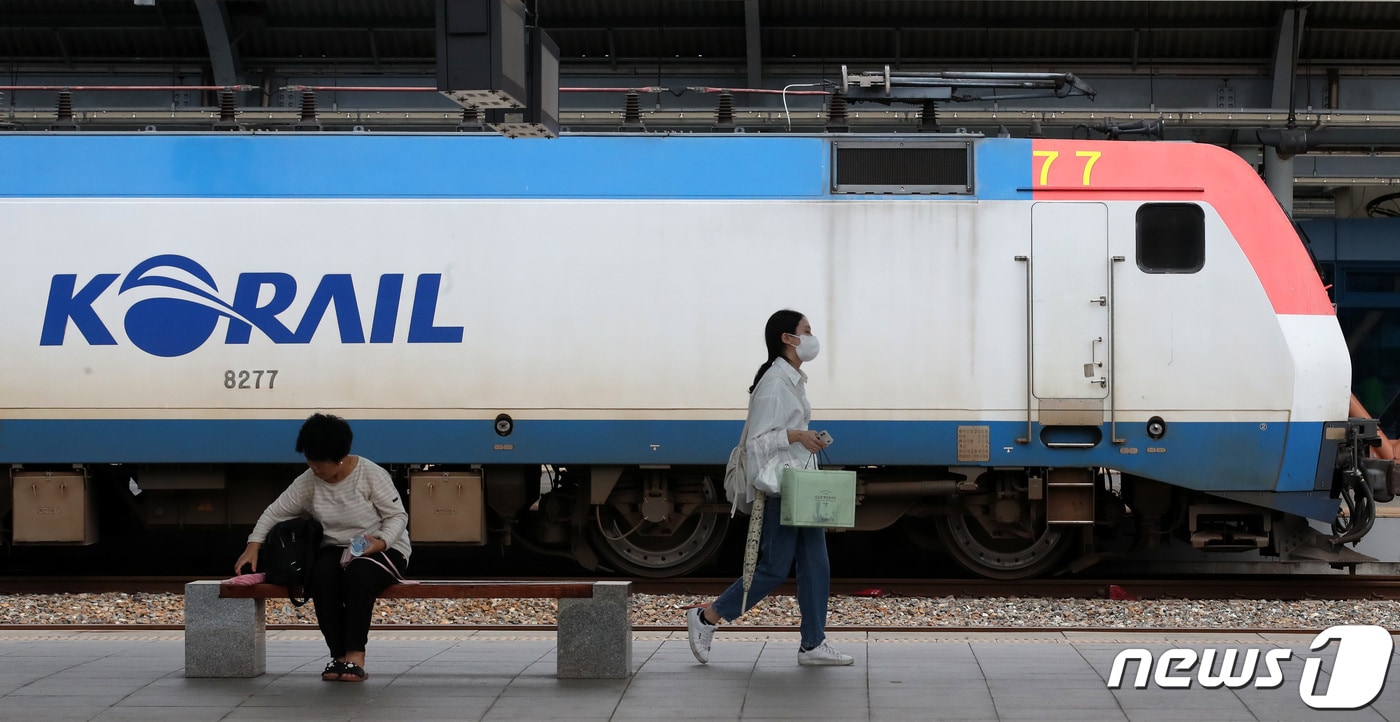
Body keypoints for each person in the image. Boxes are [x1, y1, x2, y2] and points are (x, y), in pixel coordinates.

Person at [686, 309, 853, 666]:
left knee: (817, 565)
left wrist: (806, 440)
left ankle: (813, 644)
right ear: (788, 339)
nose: (812, 337)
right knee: (774, 568)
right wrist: (797, 435)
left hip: (798, 485)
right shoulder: (775, 384)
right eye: (806, 330)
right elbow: (756, 444)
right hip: (781, 487)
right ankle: (706, 618)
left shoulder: (791, 379)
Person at [234, 413, 411, 682]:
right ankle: (337, 656)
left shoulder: (372, 475)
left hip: (384, 549)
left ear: (340, 458)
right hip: (337, 548)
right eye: (309, 460)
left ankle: (355, 656)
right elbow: (274, 512)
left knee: (358, 576)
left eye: (320, 463)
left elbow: (397, 516)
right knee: (320, 576)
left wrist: (382, 542)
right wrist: (253, 545)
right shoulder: (308, 481)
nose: (314, 468)